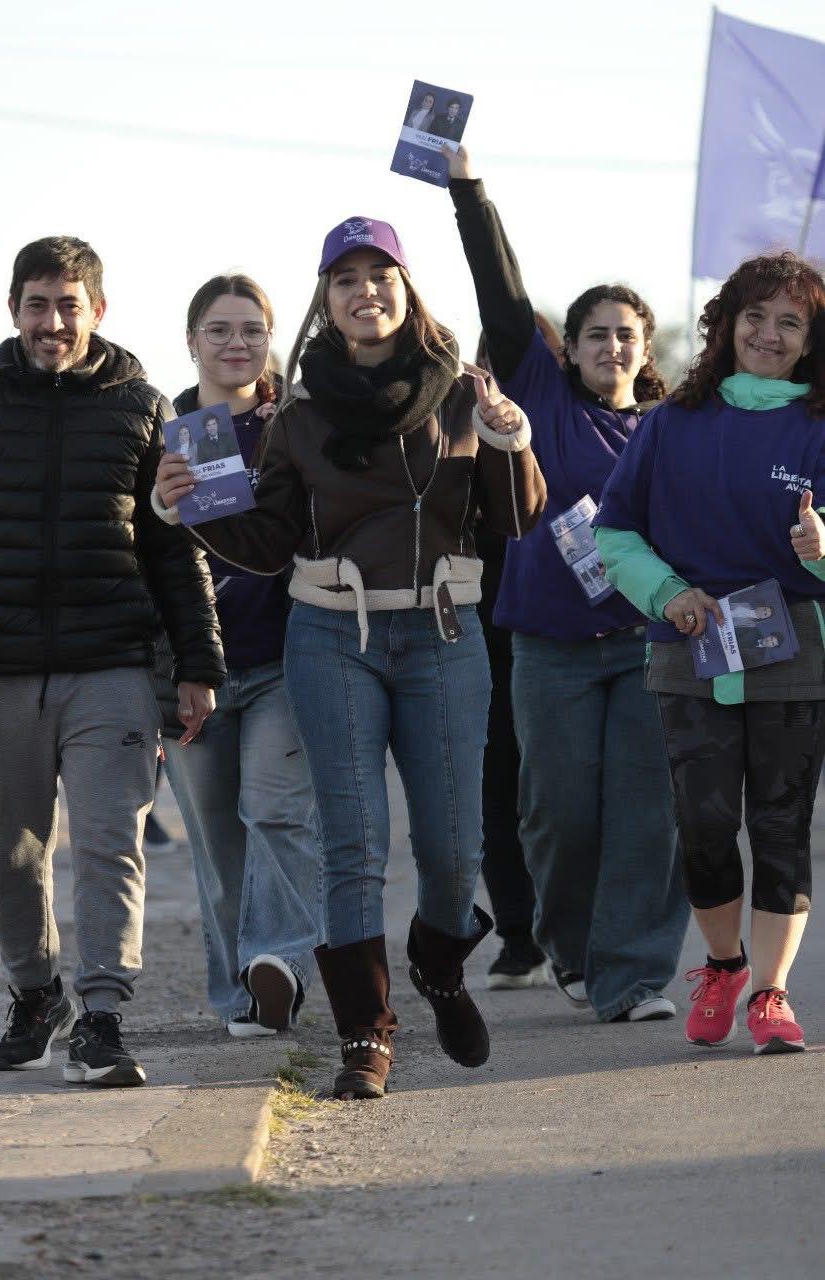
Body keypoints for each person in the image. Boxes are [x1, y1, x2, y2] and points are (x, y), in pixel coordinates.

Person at [154, 216, 546, 1099]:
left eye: (381, 275)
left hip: (444, 634)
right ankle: (363, 1034)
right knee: (352, 843)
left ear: (407, 291)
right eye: (345, 279)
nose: (365, 290)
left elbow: (516, 521)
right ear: (325, 302)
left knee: (451, 850)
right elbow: (267, 538)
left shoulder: (461, 393)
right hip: (331, 636)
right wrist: (190, 510)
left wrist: (510, 439)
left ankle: (438, 969)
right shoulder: (298, 410)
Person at [0, 236, 225, 1087]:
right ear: (14, 310)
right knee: (11, 848)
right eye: (38, 305)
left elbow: (175, 550)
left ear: (98, 312)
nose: (53, 322)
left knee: (113, 844)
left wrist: (198, 664)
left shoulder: (145, 410)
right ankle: (36, 993)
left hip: (111, 664)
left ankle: (105, 1019)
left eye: (68, 305)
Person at [445, 146, 689, 1023]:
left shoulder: (669, 430)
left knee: (645, 818)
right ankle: (571, 947)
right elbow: (501, 295)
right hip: (546, 652)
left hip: (647, 650)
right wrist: (468, 191)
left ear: (643, 346)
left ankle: (633, 976)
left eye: (627, 333)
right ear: (571, 349)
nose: (612, 345)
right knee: (557, 818)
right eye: (596, 333)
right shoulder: (543, 402)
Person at [595, 251, 825, 1054]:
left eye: (788, 322)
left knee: (780, 824)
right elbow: (613, 531)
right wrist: (667, 593)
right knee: (700, 823)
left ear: (809, 340)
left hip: (793, 649)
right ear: (724, 325)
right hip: (688, 644)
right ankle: (721, 966)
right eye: (753, 317)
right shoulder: (670, 423)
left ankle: (768, 993)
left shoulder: (818, 425)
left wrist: (820, 547)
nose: (768, 334)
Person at [157, 273, 322, 1036]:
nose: (236, 343)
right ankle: (240, 996)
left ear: (271, 338)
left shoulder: (297, 421)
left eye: (251, 329)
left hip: (288, 656)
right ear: (191, 340)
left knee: (278, 812)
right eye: (219, 330)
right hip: (194, 668)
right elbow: (141, 551)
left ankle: (279, 962)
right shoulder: (161, 429)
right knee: (219, 843)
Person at [474, 321, 560, 991]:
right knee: (495, 794)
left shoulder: (567, 431)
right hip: (477, 639)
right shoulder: (458, 436)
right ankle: (517, 936)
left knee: (556, 796)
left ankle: (568, 932)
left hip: (557, 637)